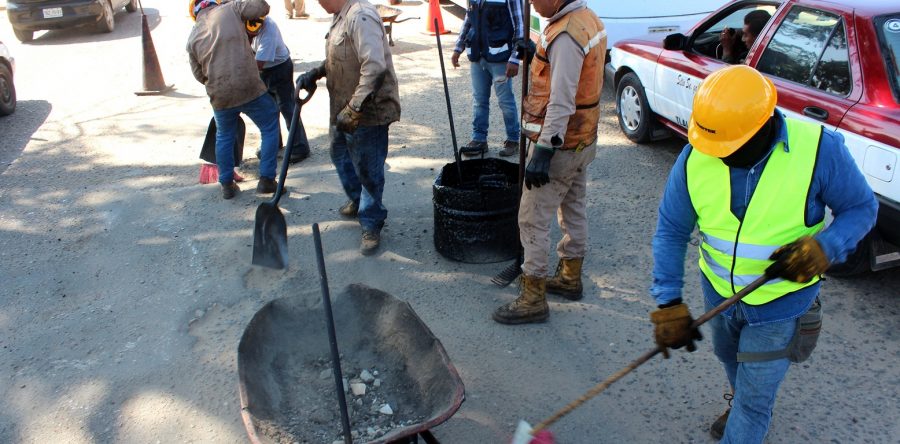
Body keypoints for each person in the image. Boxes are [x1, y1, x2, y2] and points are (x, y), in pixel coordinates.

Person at [648, 65, 877, 443]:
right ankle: (741, 399)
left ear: (762, 125)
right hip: (719, 295)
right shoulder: (697, 153)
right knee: (730, 360)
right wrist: (668, 301)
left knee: (755, 405)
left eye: (728, 150)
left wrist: (825, 247)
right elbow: (672, 230)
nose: (718, 158)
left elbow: (861, 208)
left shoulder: (820, 150)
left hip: (780, 306)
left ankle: (747, 411)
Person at [491, 0, 606, 324]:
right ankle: (570, 277)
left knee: (532, 218)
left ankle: (532, 297)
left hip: (560, 144)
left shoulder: (567, 34)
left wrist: (543, 151)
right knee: (573, 206)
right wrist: (536, 54)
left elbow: (562, 100)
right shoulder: (584, 19)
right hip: (582, 139)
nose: (530, 3)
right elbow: (572, 74)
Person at [295, 0, 400, 255]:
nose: (317, 3)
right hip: (343, 108)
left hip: (367, 111)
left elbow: (375, 67)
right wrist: (318, 71)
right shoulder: (341, 16)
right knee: (339, 154)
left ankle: (371, 223)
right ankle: (357, 199)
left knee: (369, 170)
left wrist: (354, 108)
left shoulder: (361, 16)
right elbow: (344, 54)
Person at [187, 0, 282, 199]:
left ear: (196, 13)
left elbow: (198, 75)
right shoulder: (231, 8)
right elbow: (262, 7)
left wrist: (217, 81)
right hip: (248, 87)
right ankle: (266, 179)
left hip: (220, 94)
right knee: (270, 125)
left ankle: (226, 184)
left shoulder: (193, 36)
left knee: (224, 135)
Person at [450, 0, 524, 157]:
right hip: (478, 56)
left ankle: (513, 140)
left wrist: (515, 58)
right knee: (479, 100)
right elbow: (468, 20)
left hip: (501, 59)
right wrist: (458, 47)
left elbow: (520, 26)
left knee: (505, 101)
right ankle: (479, 140)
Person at [246, 15, 309, 162]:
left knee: (287, 107)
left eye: (254, 34)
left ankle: (299, 147)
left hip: (279, 69)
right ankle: (273, 143)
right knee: (269, 110)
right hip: (264, 71)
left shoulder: (270, 29)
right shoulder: (245, 21)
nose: (252, 36)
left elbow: (258, 64)